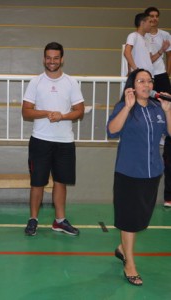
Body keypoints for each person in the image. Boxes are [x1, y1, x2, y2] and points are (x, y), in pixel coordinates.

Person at [107, 69, 171, 286]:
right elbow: (112, 130)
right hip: (129, 173)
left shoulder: (157, 108)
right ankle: (130, 264)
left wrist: (168, 111)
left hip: (152, 172)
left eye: (149, 81)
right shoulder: (125, 107)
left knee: (141, 218)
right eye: (141, 81)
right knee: (129, 221)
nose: (147, 84)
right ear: (132, 85)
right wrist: (126, 107)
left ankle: (122, 248)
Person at [22, 42, 85, 236]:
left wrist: (62, 116)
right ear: (44, 59)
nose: (52, 61)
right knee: (37, 182)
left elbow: (80, 111)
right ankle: (33, 219)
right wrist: (47, 113)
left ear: (62, 59)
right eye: (48, 58)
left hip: (65, 141)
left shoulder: (71, 83)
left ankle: (59, 221)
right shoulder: (36, 82)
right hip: (40, 140)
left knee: (61, 182)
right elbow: (26, 111)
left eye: (56, 58)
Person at [144, 6, 171, 208]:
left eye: (156, 17)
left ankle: (165, 132)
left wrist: (167, 73)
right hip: (147, 75)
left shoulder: (165, 35)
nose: (153, 20)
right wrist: (160, 51)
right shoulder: (141, 36)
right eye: (150, 17)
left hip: (161, 76)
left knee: (166, 103)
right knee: (149, 105)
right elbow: (149, 59)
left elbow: (168, 56)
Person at [123, 13, 169, 77]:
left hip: (149, 76)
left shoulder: (147, 39)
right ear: (142, 23)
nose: (151, 24)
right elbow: (126, 52)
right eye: (149, 22)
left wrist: (161, 50)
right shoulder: (133, 36)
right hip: (138, 76)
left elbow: (150, 60)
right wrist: (136, 69)